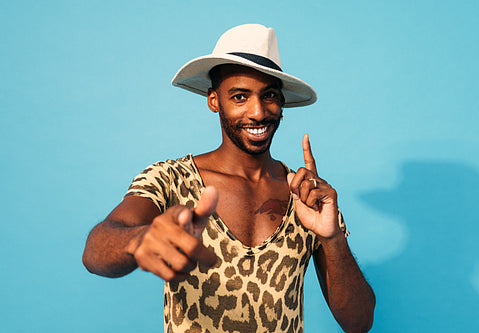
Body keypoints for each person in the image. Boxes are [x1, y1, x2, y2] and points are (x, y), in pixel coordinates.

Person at [83, 24, 375, 333]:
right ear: (213, 100)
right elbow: (95, 251)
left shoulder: (306, 196)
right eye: (239, 97)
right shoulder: (170, 179)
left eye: (269, 95)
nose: (258, 112)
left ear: (282, 102)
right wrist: (139, 240)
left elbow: (359, 323)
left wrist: (332, 237)